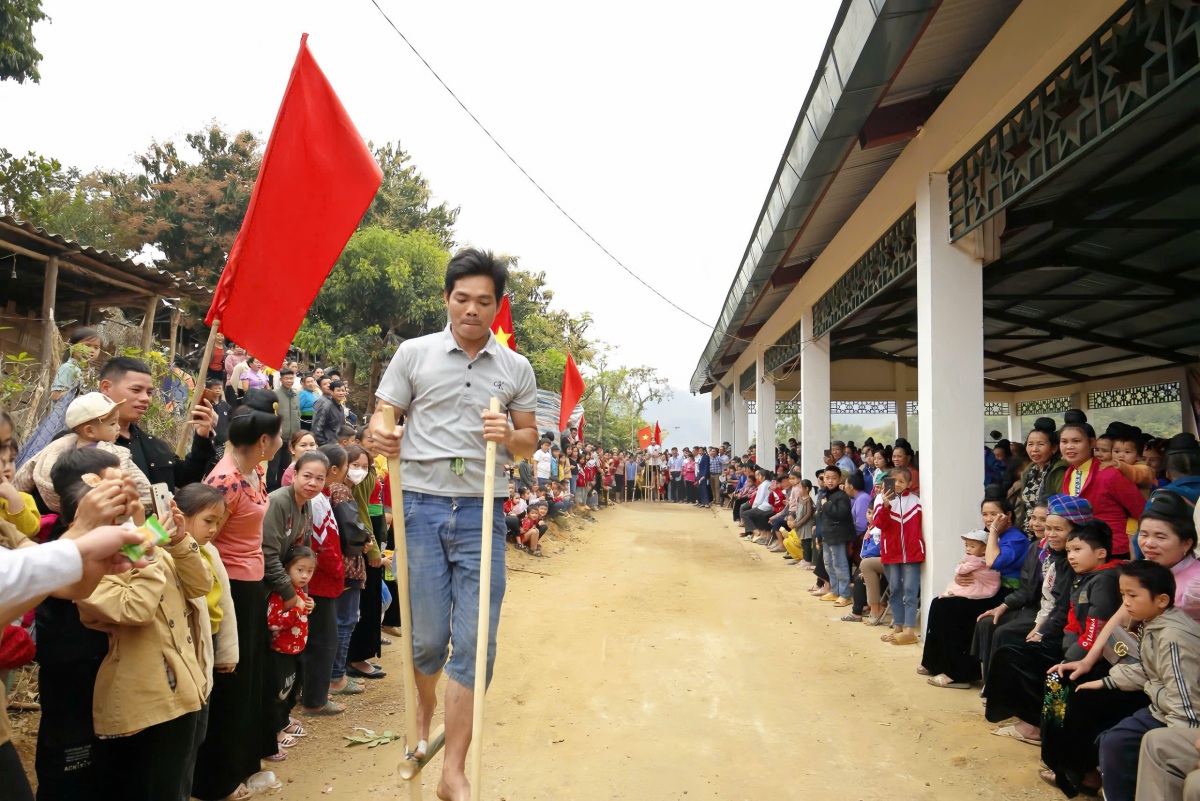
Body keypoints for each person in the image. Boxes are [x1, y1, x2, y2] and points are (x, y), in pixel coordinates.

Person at [369, 248, 538, 801]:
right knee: (426, 639)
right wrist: (382, 434)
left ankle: (454, 770)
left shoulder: (515, 368)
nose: (471, 309)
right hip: (419, 503)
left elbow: (529, 440)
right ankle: (423, 700)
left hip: (482, 507)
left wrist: (506, 437)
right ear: (447, 299)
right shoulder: (413, 355)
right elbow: (383, 416)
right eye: (462, 298)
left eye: (483, 301)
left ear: (496, 305)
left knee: (476, 640)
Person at [77, 491, 212, 801]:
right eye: (126, 506)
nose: (139, 512)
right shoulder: (88, 567)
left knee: (175, 782)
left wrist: (178, 543)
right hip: (142, 698)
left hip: (186, 686)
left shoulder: (149, 546)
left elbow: (200, 586)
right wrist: (145, 553)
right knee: (150, 785)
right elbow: (135, 609)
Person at [192, 390, 283, 800]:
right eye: (278, 438)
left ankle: (245, 764)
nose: (281, 443)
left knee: (249, 678)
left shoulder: (255, 473)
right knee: (231, 679)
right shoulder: (225, 480)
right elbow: (205, 534)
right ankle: (218, 778)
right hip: (229, 587)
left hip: (252, 584)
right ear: (263, 442)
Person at [1087, 561, 1200, 801]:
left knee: (1122, 743)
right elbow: (1152, 670)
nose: (1125, 602)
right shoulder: (1154, 623)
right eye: (1122, 594)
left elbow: (1185, 699)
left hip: (1179, 717)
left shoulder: (1173, 637)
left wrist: (1179, 743)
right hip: (1162, 705)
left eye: (1133, 595)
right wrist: (1109, 681)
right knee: (1112, 740)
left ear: (1161, 600)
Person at [921, 486, 1030, 688]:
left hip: (1007, 593)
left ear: (1008, 515)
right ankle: (934, 662)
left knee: (953, 609)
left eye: (994, 514)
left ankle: (961, 674)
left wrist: (995, 532)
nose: (989, 519)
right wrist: (960, 575)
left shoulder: (1016, 540)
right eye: (985, 514)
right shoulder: (990, 535)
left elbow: (991, 562)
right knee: (939, 602)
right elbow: (973, 561)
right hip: (987, 588)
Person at [13, 391, 153, 511]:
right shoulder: (115, 453)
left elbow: (26, 473)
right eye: (112, 423)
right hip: (101, 511)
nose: (118, 427)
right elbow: (140, 483)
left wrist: (12, 496)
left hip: (56, 510)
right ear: (90, 431)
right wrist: (149, 502)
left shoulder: (57, 447)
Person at [99, 356, 217, 491]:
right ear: (106, 387)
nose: (145, 399)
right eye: (136, 390)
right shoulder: (87, 444)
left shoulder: (152, 444)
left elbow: (186, 479)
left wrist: (202, 436)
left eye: (149, 392)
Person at [1058, 410, 1145, 559]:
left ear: (1092, 443)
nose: (1069, 447)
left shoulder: (1110, 474)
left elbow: (1141, 510)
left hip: (1112, 550)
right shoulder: (1069, 473)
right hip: (1081, 551)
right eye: (1064, 442)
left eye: (1076, 441)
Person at [300, 444, 348, 716]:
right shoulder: (316, 501)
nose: (315, 483)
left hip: (320, 578)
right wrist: (339, 571)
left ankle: (310, 694)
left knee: (319, 639)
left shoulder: (321, 497)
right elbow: (323, 544)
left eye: (319, 478)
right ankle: (315, 699)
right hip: (321, 581)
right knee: (324, 641)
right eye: (309, 476)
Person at [267, 544, 316, 752]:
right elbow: (274, 622)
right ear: (287, 569)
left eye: (310, 571)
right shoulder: (280, 595)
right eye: (300, 570)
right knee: (279, 692)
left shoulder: (299, 592)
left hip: (296, 649)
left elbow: (302, 611)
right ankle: (275, 731)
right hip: (281, 651)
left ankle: (285, 720)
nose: (305, 576)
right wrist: (297, 608)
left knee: (293, 689)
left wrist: (308, 605)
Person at [874, 466, 922, 644]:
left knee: (910, 591)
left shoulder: (916, 501)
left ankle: (909, 630)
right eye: (894, 481)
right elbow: (880, 525)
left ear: (910, 483)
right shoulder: (881, 499)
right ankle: (897, 627)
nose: (898, 484)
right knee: (894, 590)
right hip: (891, 552)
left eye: (902, 481)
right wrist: (886, 506)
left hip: (912, 553)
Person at [1016, 417, 1067, 533]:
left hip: (1049, 530)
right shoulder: (1029, 471)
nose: (1034, 449)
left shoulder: (1059, 470)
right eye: (1030, 444)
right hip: (1028, 528)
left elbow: (1061, 505)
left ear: (1053, 448)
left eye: (1040, 444)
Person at [817, 466, 855, 608]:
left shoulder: (842, 496)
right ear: (823, 479)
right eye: (827, 478)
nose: (830, 481)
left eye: (834, 478)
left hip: (838, 535)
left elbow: (841, 514)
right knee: (828, 563)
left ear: (839, 479)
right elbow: (820, 518)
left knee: (840, 564)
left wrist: (827, 505)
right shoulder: (823, 494)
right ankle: (835, 590)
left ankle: (845, 595)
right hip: (827, 535)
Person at [941, 529, 1001, 599]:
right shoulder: (984, 558)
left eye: (972, 546)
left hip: (981, 586)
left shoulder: (976, 560)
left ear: (984, 550)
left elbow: (962, 570)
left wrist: (960, 566)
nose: (968, 549)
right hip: (990, 585)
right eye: (967, 545)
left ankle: (952, 592)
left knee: (961, 587)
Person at [269, 367, 301, 491]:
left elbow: (298, 414)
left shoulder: (295, 395)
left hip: (291, 439)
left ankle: (283, 489)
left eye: (291, 378)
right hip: (277, 438)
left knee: (286, 466)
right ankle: (270, 490)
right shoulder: (274, 394)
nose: (289, 381)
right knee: (273, 467)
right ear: (281, 379)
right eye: (287, 378)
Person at [0, 434, 38, 538]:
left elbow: (29, 531)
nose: (7, 467)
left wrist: (14, 499)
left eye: (11, 460)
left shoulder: (23, 499)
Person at [50, 327, 102, 400]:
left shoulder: (89, 373)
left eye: (96, 347)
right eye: (87, 345)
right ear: (73, 346)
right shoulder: (68, 368)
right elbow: (55, 395)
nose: (92, 350)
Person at [312, 380, 349, 446]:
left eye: (343, 391)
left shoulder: (341, 407)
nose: (341, 393)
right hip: (328, 444)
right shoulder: (326, 407)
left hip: (339, 444)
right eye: (338, 391)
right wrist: (324, 444)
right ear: (331, 392)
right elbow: (317, 429)